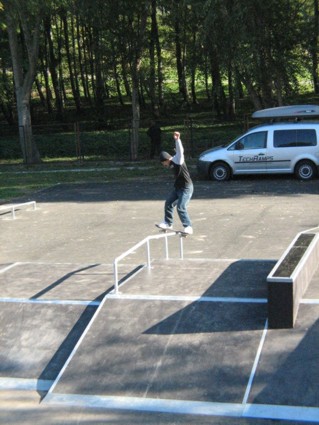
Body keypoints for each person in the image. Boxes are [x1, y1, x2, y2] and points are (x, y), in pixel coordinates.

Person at [157, 131, 194, 235]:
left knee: (181, 207)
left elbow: (180, 151)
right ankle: (168, 223)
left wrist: (177, 140)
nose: (164, 165)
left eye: (163, 163)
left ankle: (188, 227)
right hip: (178, 188)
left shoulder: (178, 160)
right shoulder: (171, 162)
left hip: (186, 188)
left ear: (166, 160)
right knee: (168, 203)